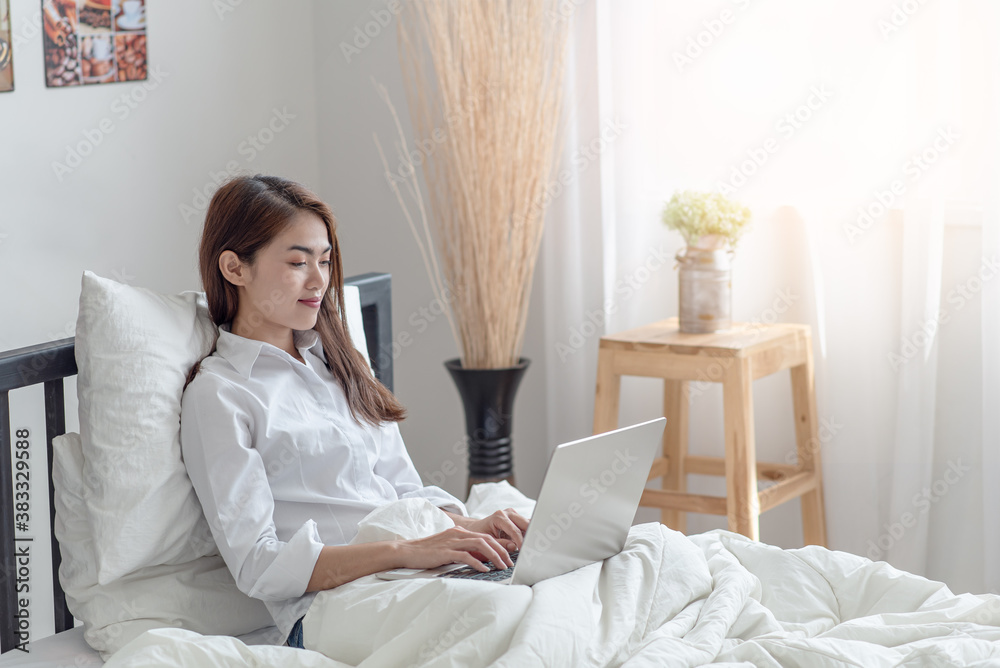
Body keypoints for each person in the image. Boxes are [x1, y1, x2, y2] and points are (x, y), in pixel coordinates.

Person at [179, 174, 529, 649]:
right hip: (337, 606)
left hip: (414, 572)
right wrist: (408, 552)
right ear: (235, 268)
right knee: (510, 617)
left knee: (626, 556)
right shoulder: (220, 396)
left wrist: (469, 528)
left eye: (324, 261)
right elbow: (259, 566)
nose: (320, 280)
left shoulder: (340, 365)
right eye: (298, 262)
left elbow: (404, 490)